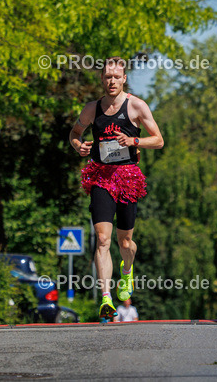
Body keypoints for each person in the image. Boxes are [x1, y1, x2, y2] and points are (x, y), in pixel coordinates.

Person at [69, 57, 164, 321]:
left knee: (125, 243)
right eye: (107, 77)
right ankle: (106, 298)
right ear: (102, 79)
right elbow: (75, 133)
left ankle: (127, 270)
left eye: (116, 77)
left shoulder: (136, 106)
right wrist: (79, 146)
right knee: (102, 239)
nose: (112, 81)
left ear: (124, 79)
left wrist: (134, 141)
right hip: (100, 177)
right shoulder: (92, 109)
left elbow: (158, 140)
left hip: (127, 178)